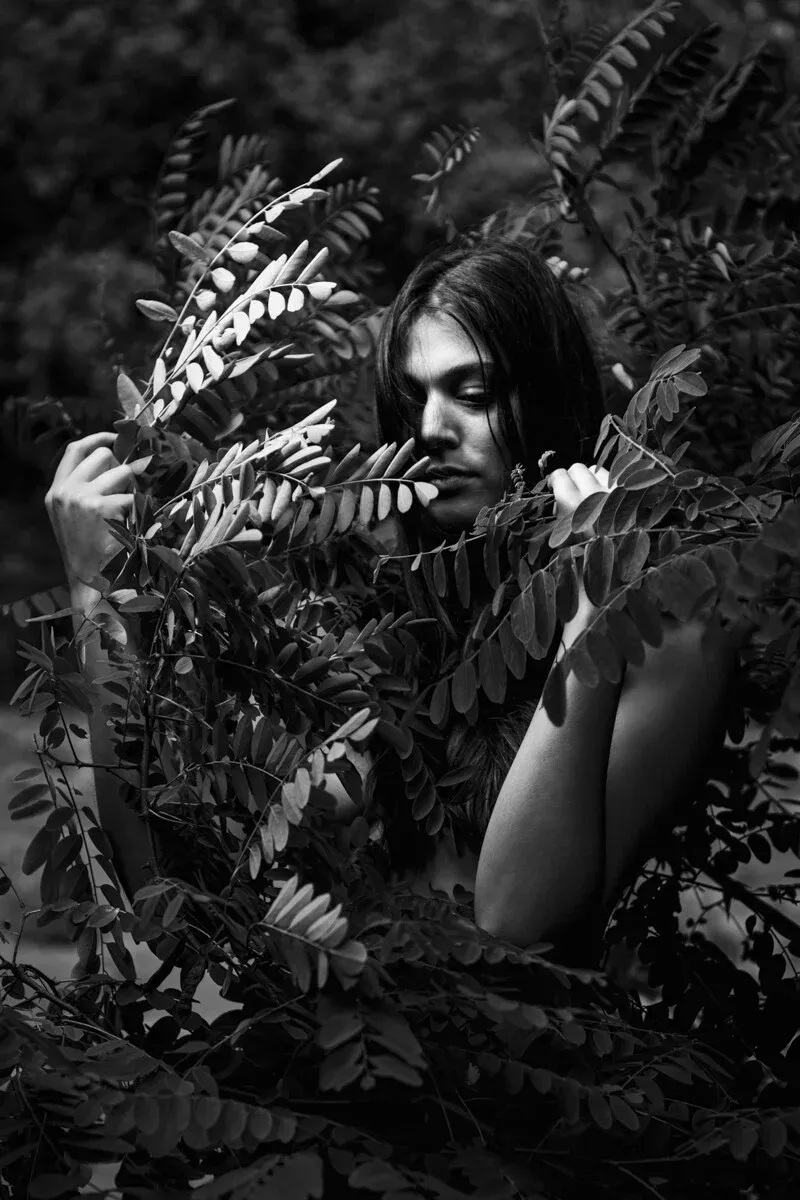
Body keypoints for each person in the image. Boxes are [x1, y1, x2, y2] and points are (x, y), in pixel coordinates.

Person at [45, 236, 743, 965]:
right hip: (315, 1067)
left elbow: (513, 923)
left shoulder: (671, 622)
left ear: (547, 396)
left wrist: (588, 617)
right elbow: (166, 900)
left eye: (473, 395)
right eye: (414, 397)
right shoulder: (370, 619)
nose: (433, 429)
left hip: (528, 1068)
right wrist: (100, 594)